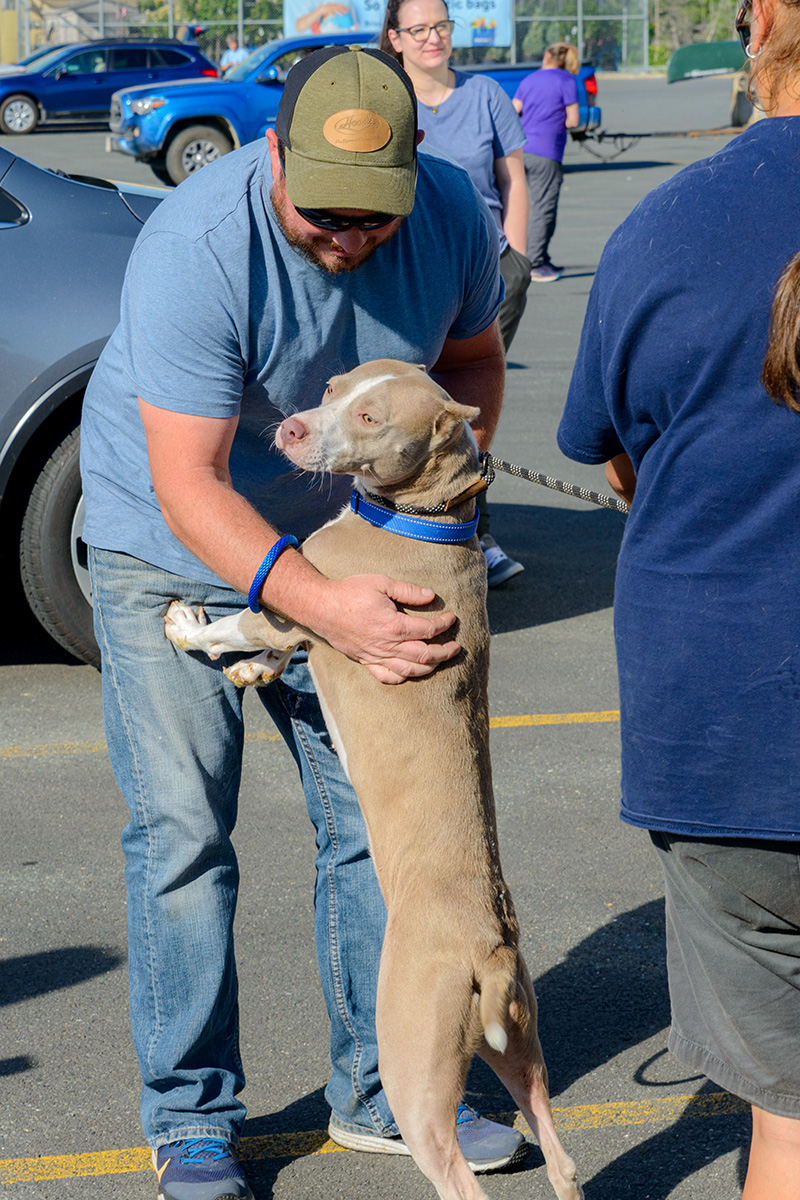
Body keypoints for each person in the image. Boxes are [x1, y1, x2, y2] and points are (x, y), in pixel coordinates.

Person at [79, 44, 527, 1200]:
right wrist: (326, 607)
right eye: (324, 213)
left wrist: (431, 514)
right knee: (184, 837)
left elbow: (471, 368)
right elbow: (189, 485)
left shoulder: (448, 218)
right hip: (169, 547)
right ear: (272, 153)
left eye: (373, 217)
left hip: (345, 542)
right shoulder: (198, 245)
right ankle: (191, 1119)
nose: (349, 238)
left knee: (378, 828)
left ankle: (386, 1091)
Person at [557, 1, 800, 1196]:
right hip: (728, 749)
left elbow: (614, 455)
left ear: (754, 32)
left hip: (725, 745)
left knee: (786, 1124)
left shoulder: (663, 227)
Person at [381, 0, 528, 586]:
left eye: (441, 25)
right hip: (409, 276)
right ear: (395, 36)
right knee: (412, 408)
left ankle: (473, 531)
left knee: (468, 403)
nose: (433, 37)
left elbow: (512, 177)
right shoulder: (389, 96)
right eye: (418, 29)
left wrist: (517, 256)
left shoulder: (485, 94)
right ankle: (405, 532)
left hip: (486, 273)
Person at [512, 42, 579, 283]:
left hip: (523, 149)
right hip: (547, 152)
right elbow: (573, 120)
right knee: (544, 209)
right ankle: (535, 263)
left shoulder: (529, 79)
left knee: (526, 205)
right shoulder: (566, 81)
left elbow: (514, 109)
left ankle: (540, 256)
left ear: (546, 55)